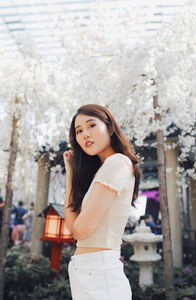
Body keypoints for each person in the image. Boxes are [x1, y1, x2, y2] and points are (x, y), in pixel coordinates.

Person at [63, 104, 141, 300]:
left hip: (99, 273)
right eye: (79, 131)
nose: (85, 134)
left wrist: (78, 228)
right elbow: (73, 227)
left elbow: (80, 231)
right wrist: (71, 173)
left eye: (91, 126)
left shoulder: (117, 162)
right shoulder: (103, 169)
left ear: (110, 128)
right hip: (89, 270)